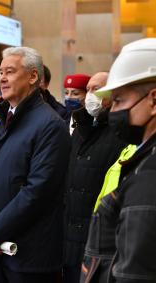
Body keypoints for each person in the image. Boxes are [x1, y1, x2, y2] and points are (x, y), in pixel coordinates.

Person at [0, 46, 70, 283]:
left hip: (29, 255)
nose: (1, 78)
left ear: (33, 76)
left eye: (10, 72)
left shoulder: (50, 125)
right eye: (1, 72)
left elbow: (38, 191)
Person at [81, 38, 156, 282]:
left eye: (119, 101)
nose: (113, 112)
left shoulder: (149, 174)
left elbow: (134, 273)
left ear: (153, 101)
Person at [62, 72, 127, 283]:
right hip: (69, 237)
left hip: (99, 238)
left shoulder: (122, 132)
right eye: (88, 89)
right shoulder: (80, 128)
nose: (90, 95)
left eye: (96, 89)